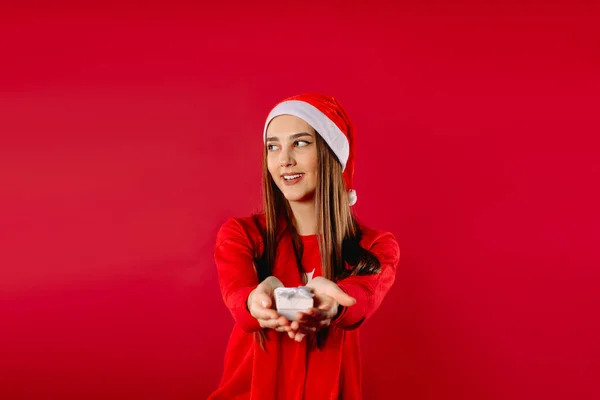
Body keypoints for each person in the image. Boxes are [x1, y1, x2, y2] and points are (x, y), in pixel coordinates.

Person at [209, 93, 400, 400]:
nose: (283, 159)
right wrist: (255, 301)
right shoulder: (241, 234)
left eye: (300, 142)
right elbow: (237, 293)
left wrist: (336, 305)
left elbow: (363, 296)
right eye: (273, 146)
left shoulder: (376, 245)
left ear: (330, 154)